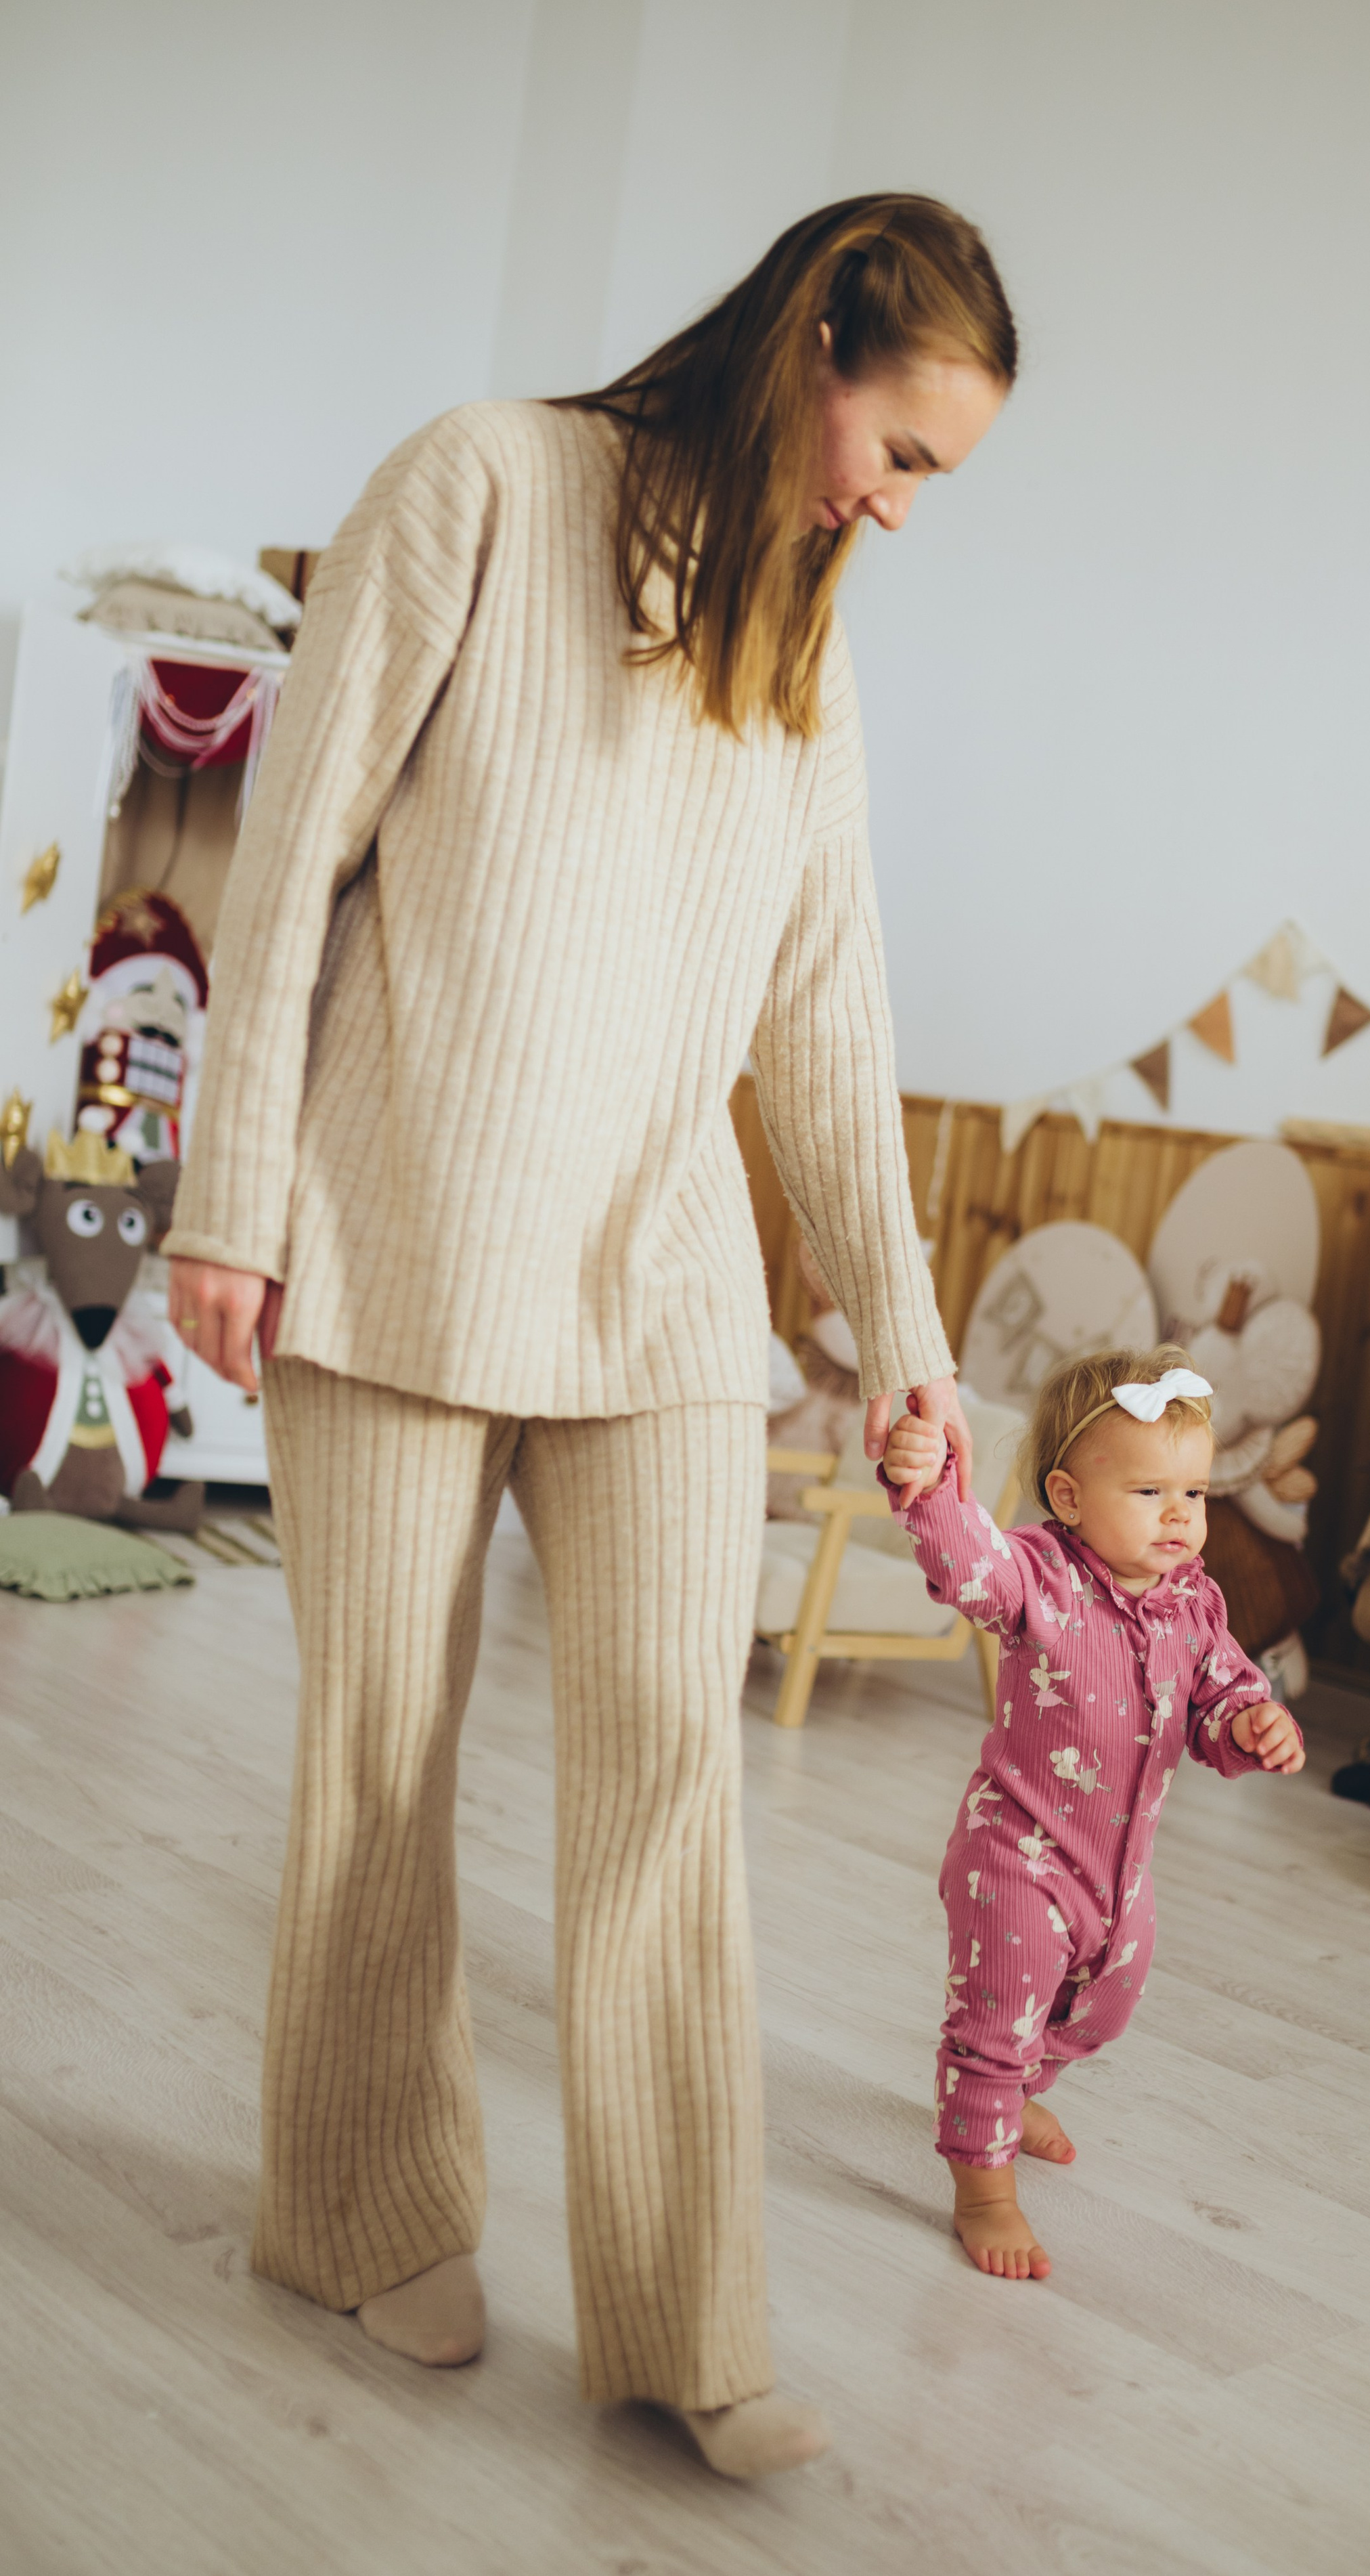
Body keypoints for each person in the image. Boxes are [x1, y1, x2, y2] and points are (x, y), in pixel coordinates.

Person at [164, 194, 1015, 2479]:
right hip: (397, 1236)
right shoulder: (480, 480)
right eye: (902, 451)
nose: (898, 510)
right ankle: (354, 2217)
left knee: (669, 1794)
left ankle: (683, 2324)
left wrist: (905, 1326)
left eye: (936, 478)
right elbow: (293, 853)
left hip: (661, 1285)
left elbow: (829, 1008)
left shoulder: (810, 639)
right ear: (815, 347)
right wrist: (231, 1200)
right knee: (380, 1762)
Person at [881, 1346, 1305, 2282]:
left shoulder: (1195, 1605)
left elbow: (1221, 1702)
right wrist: (932, 1486)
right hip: (1017, 1854)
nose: (1179, 1516)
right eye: (1150, 1493)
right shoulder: (1040, 1578)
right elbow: (969, 1563)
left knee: (1106, 2006)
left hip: (1120, 1873)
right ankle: (982, 2183)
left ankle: (1018, 2090)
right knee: (999, 2019)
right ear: (1069, 1498)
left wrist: (1253, 1725)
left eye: (1193, 1494)